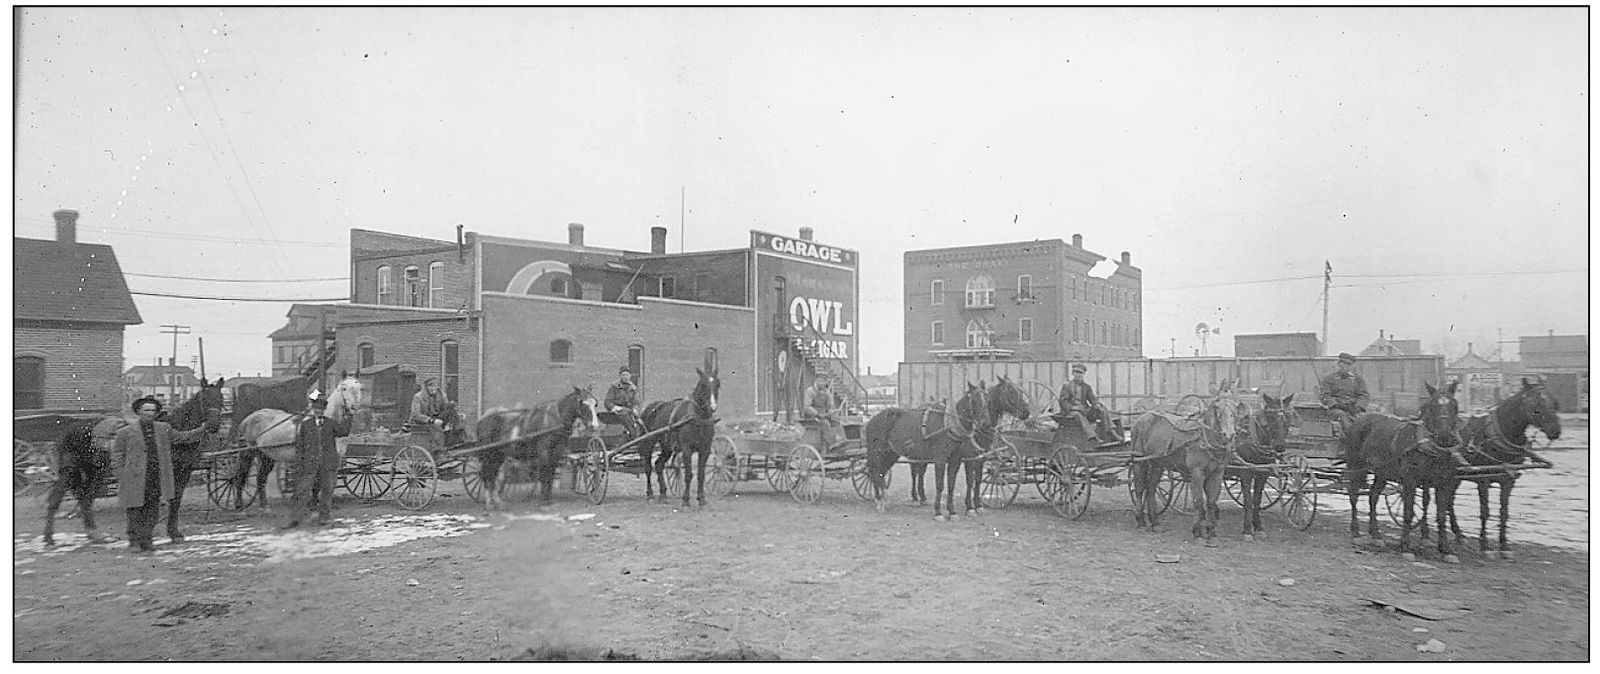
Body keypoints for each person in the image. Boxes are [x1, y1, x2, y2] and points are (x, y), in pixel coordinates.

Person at [112, 397, 220, 553]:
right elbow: (117, 454)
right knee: (135, 509)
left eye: (152, 410)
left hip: (156, 475)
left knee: (152, 509)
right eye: (146, 410)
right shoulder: (125, 432)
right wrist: (121, 474)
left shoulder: (164, 429)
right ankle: (134, 541)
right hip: (135, 476)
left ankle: (147, 540)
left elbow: (183, 437)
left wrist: (202, 429)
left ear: (156, 413)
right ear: (139, 412)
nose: (149, 413)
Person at [285, 394, 350, 529]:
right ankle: (296, 518)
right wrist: (300, 461)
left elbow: (343, 432)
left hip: (327, 464)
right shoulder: (305, 425)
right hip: (310, 464)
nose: (318, 411)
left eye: (320, 409)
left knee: (327, 491)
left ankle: (324, 517)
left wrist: (349, 416)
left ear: (324, 410)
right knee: (302, 491)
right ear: (313, 410)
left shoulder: (331, 424)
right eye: (316, 409)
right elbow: (300, 445)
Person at [1058, 364, 1109, 441]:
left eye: (1081, 373)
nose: (1079, 375)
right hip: (1070, 413)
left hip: (1084, 411)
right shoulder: (1067, 386)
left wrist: (1096, 404)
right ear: (1073, 373)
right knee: (1078, 415)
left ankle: (1111, 431)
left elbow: (1092, 399)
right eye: (1077, 372)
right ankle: (1092, 436)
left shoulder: (1086, 387)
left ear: (1084, 374)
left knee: (1101, 410)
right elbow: (1063, 402)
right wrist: (1074, 408)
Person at [1319, 352, 1370, 431]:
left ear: (1352, 366)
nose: (1344, 366)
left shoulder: (1359, 380)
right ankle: (1351, 437)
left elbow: (1364, 395)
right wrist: (1336, 404)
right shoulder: (1329, 379)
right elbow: (1325, 395)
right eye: (1342, 363)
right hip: (1336, 410)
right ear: (1339, 364)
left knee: (1365, 419)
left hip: (1353, 408)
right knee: (1342, 416)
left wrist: (1358, 407)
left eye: (1348, 364)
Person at [410, 378, 462, 445]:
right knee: (435, 426)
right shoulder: (418, 397)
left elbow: (445, 408)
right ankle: (438, 450)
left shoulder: (442, 395)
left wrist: (453, 410)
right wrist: (432, 420)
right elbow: (416, 415)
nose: (433, 388)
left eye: (435, 386)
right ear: (426, 387)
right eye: (430, 386)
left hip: (437, 417)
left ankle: (459, 439)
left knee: (452, 412)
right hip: (422, 422)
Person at [801, 376, 842, 450]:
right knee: (825, 423)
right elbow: (807, 407)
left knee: (837, 422)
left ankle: (841, 442)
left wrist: (830, 411)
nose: (823, 383)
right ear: (816, 381)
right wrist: (817, 414)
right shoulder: (810, 391)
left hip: (824, 415)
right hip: (812, 418)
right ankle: (831, 445)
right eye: (821, 381)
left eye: (824, 381)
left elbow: (830, 405)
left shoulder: (827, 392)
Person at [604, 366, 644, 437]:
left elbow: (636, 402)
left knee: (640, 420)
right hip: (617, 412)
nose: (625, 377)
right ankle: (633, 435)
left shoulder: (633, 388)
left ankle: (642, 435)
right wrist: (615, 408)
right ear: (620, 376)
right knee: (625, 415)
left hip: (629, 411)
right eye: (623, 375)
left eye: (627, 375)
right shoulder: (614, 387)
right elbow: (607, 402)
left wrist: (635, 409)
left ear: (630, 376)